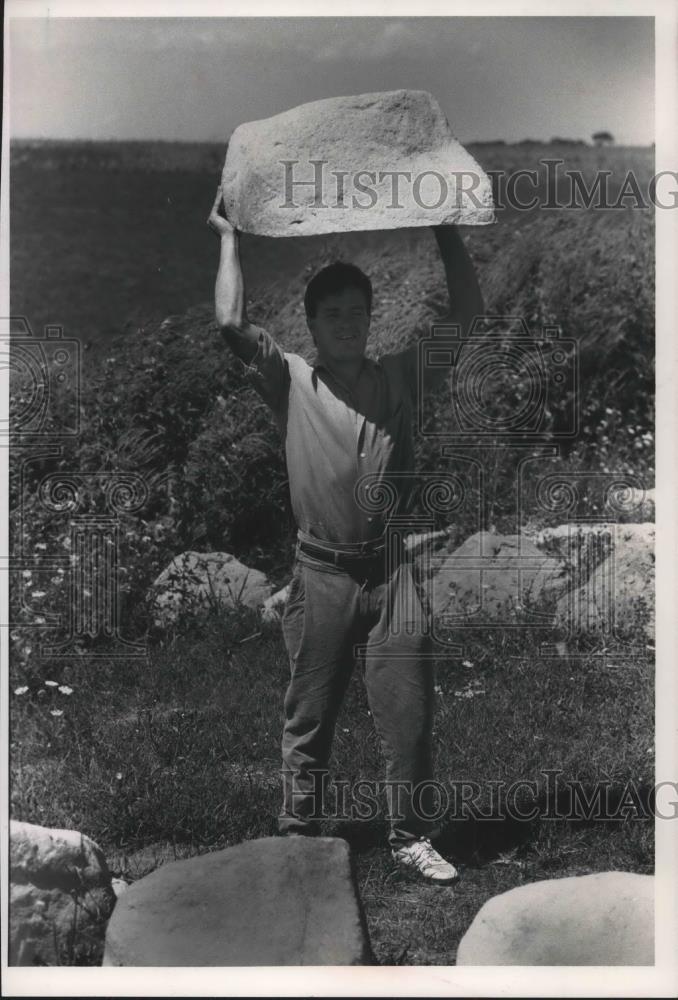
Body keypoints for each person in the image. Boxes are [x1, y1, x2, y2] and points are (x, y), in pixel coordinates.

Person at [208, 186, 484, 884]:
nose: (347, 326)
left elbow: (468, 315)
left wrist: (444, 227)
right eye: (332, 316)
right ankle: (300, 837)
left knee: (408, 714)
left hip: (393, 573)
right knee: (309, 718)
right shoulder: (291, 380)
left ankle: (412, 837)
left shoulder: (400, 376)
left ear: (370, 318)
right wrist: (229, 235)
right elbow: (229, 322)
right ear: (310, 323)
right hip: (322, 574)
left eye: (357, 314)